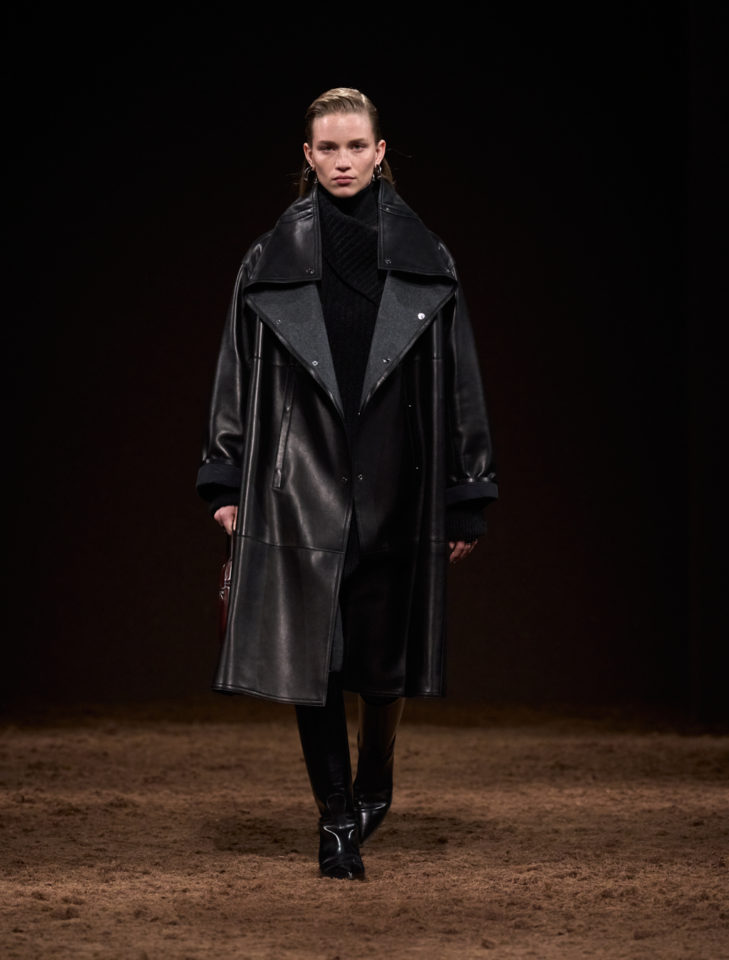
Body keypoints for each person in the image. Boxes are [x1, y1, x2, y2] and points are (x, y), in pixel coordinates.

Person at [196, 87, 498, 880]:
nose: (341, 162)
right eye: (327, 148)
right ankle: (335, 817)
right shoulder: (266, 263)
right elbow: (235, 373)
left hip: (398, 483)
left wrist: (467, 490)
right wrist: (226, 477)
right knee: (315, 661)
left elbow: (461, 379)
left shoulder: (428, 260)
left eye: (355, 146)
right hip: (298, 486)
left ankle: (375, 784)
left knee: (382, 663)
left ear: (379, 151)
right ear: (307, 156)